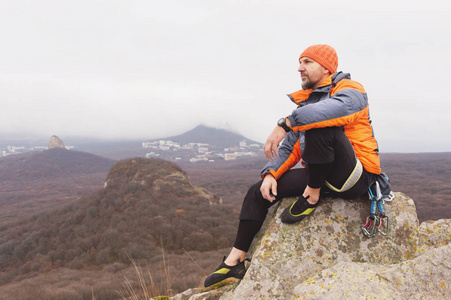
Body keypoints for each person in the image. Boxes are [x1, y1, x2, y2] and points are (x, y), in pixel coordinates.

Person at [204, 44, 383, 287]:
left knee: (322, 125)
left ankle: (312, 196)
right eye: (300, 62)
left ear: (326, 67)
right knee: (258, 192)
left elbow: (337, 110)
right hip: (322, 172)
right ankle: (235, 261)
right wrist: (271, 174)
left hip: (356, 175)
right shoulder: (306, 105)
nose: (300, 68)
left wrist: (286, 122)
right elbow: (290, 148)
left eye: (307, 62)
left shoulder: (351, 89)